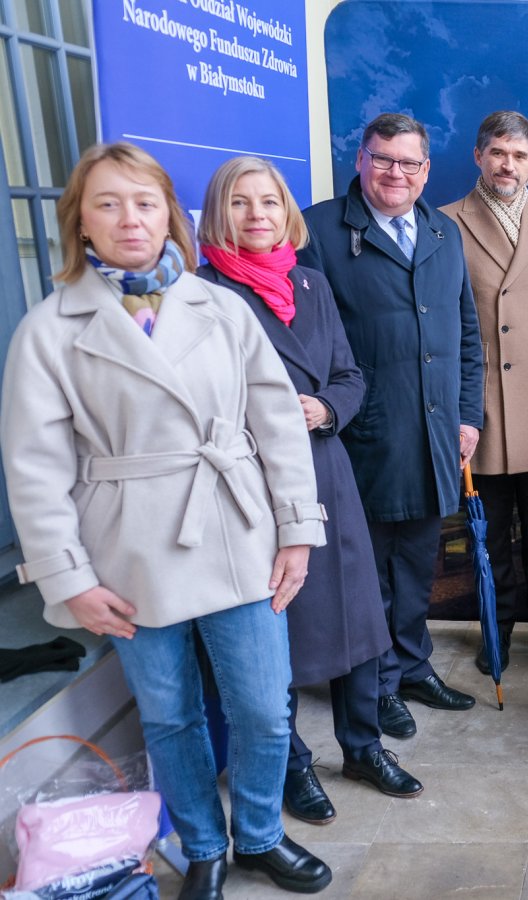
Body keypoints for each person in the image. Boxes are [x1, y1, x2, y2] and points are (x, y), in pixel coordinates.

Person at [0, 143, 332, 899]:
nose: (130, 218)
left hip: (237, 531)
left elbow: (278, 425)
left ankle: (260, 835)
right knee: (170, 715)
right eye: (108, 203)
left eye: (145, 202)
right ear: (80, 221)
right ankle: (205, 846)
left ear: (169, 217)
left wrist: (296, 531)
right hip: (127, 550)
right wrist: (67, 578)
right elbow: (35, 469)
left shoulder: (221, 308)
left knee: (265, 709)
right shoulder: (49, 329)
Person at [197, 156, 423, 828]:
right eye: (241, 202)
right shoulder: (204, 295)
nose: (257, 214)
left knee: (359, 619)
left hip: (328, 471)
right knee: (282, 630)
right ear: (219, 213)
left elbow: (349, 375)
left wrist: (324, 409)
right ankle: (292, 764)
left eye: (269, 201)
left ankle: (363, 748)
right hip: (254, 485)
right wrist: (265, 417)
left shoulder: (311, 283)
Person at [297, 113, 482, 740]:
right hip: (362, 434)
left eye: (409, 163)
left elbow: (466, 334)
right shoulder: (319, 231)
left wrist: (468, 416)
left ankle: (411, 666)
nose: (395, 173)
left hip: (434, 433)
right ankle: (375, 686)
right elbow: (307, 345)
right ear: (360, 159)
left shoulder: (442, 231)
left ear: (426, 170)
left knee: (417, 565)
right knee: (368, 574)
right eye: (383, 159)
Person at [441, 111, 528, 673]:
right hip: (485, 398)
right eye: (498, 152)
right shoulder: (445, 221)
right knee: (491, 533)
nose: (508, 165)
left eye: (519, 155)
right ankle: (496, 630)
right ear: (478, 156)